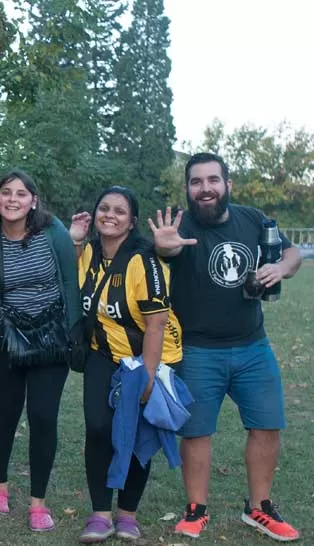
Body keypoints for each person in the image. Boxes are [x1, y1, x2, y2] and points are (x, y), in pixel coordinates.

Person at [149, 153, 301, 542]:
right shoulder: (179, 225)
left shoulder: (252, 219)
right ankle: (196, 509)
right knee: (197, 432)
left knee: (267, 425)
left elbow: (292, 252)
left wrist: (280, 268)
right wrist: (164, 247)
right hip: (198, 350)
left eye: (212, 180)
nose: (205, 188)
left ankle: (259, 508)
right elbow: (166, 252)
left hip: (253, 345)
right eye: (196, 182)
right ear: (187, 188)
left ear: (227, 185)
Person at [0, 170, 81, 532]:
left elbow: (69, 281)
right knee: (6, 414)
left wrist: (73, 332)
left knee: (43, 417)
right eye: (6, 193)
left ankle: (38, 501)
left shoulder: (53, 232)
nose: (13, 199)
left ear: (33, 200)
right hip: (4, 339)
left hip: (50, 337)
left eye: (21, 193)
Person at [68, 186, 183, 542]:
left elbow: (157, 324)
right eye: (104, 208)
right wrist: (74, 241)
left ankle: (128, 514)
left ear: (132, 222)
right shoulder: (89, 253)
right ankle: (100, 513)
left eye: (119, 211)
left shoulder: (142, 260)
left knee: (135, 433)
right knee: (98, 429)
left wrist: (148, 376)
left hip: (144, 358)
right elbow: (76, 283)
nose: (110, 215)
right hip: (103, 355)